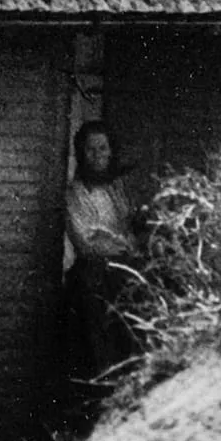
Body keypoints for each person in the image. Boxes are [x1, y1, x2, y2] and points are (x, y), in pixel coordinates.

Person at [59, 119, 145, 414]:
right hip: (93, 279)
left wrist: (129, 238)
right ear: (81, 154)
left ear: (110, 152)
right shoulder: (75, 194)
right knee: (96, 351)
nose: (97, 156)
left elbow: (130, 230)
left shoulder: (116, 190)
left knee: (128, 343)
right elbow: (86, 242)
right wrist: (122, 245)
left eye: (103, 148)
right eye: (90, 150)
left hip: (122, 276)